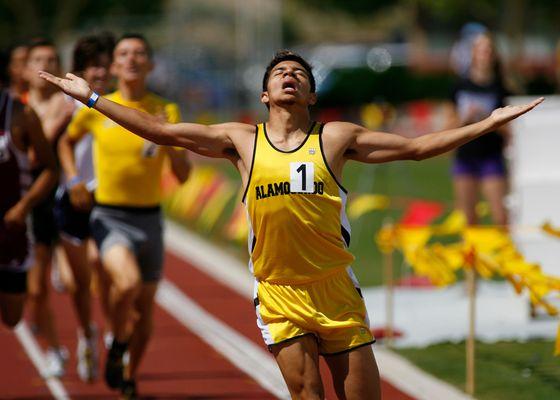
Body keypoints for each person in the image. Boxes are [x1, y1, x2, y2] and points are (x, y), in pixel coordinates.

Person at [40, 50, 542, 400]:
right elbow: (164, 130)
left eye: (299, 74)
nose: (289, 76)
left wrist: (487, 122)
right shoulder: (240, 141)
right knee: (306, 394)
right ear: (264, 94)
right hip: (279, 292)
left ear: (310, 94)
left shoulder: (335, 138)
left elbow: (413, 148)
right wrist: (91, 98)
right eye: (280, 72)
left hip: (336, 291)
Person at [58, 33, 190, 399]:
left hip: (150, 218)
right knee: (127, 283)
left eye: (140, 54)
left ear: (150, 64)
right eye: (123, 54)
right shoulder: (100, 106)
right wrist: (73, 180)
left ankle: (129, 372)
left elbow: (182, 176)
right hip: (109, 216)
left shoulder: (167, 110)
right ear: (114, 66)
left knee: (145, 309)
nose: (132, 59)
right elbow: (66, 142)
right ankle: (116, 341)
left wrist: (171, 141)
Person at [55, 33, 115, 382]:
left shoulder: (118, 104)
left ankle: (110, 329)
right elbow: (60, 142)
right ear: (80, 70)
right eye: (94, 67)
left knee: (101, 264)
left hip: (106, 198)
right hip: (72, 196)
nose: (101, 74)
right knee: (78, 282)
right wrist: (73, 179)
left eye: (106, 67)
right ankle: (85, 333)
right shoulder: (70, 102)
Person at [24, 38, 76, 377]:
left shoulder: (70, 103)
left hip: (66, 199)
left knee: (78, 281)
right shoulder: (16, 108)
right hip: (30, 202)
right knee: (36, 289)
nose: (46, 66)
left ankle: (88, 331)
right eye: (38, 60)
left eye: (52, 60)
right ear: (26, 69)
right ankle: (56, 348)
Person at [0, 85, 57, 329]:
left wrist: (24, 206)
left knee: (13, 317)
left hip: (11, 228)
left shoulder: (21, 114)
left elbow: (51, 169)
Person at [447, 32, 510, 225]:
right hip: (465, 155)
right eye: (481, 49)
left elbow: (511, 132)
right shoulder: (459, 86)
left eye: (489, 49)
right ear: (473, 53)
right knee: (469, 220)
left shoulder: (502, 89)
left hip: (491, 155)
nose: (486, 53)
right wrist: (465, 117)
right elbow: (447, 127)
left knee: (500, 217)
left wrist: (491, 120)